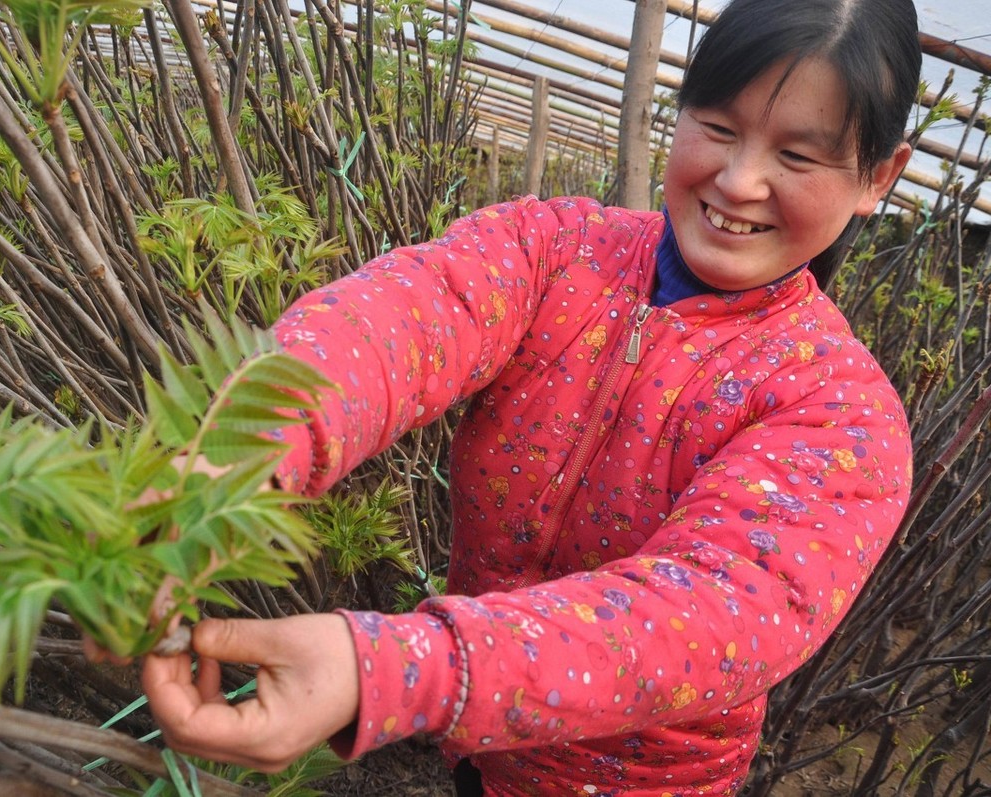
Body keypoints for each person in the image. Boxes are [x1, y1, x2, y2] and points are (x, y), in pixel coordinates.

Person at [138, 0, 921, 793]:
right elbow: (400, 320)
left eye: (796, 155)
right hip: (474, 747)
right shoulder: (554, 250)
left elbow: (707, 616)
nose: (739, 179)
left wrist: (394, 669)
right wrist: (238, 452)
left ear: (879, 177)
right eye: (717, 128)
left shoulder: (841, 415)